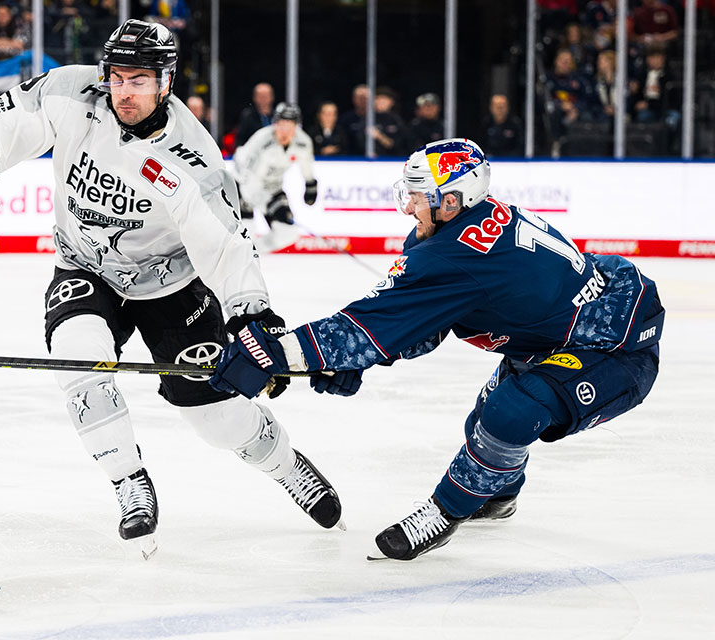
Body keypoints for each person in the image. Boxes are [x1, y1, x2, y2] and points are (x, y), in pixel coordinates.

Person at [0, 19, 343, 559]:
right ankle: (127, 480)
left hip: (172, 287)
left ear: (166, 82)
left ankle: (287, 467)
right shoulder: (73, 92)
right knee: (78, 359)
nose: (124, 91)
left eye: (139, 80)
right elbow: (6, 123)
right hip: (84, 267)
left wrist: (249, 313)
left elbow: (226, 244)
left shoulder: (193, 158)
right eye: (117, 77)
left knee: (213, 416)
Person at [209, 137, 664, 561]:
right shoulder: (459, 231)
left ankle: (447, 510)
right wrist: (360, 357)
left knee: (511, 412)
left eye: (416, 195)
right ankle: (498, 494)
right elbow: (422, 325)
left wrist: (270, 352)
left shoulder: (456, 253)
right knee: (487, 424)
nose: (407, 206)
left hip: (616, 348)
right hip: (559, 338)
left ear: (451, 201)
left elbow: (371, 322)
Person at [232, 102, 318, 253]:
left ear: (296, 126)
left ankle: (253, 252)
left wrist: (310, 184)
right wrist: (267, 204)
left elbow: (306, 164)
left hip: (273, 187)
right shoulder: (262, 141)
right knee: (248, 229)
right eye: (281, 124)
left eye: (289, 125)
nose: (284, 130)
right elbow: (249, 181)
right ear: (275, 124)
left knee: (288, 232)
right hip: (243, 186)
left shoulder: (303, 142)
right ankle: (240, 254)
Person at [235, 82, 275, 147]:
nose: (264, 99)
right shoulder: (247, 116)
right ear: (255, 98)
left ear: (272, 97)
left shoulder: (277, 116)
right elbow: (240, 140)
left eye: (266, 96)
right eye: (261, 96)